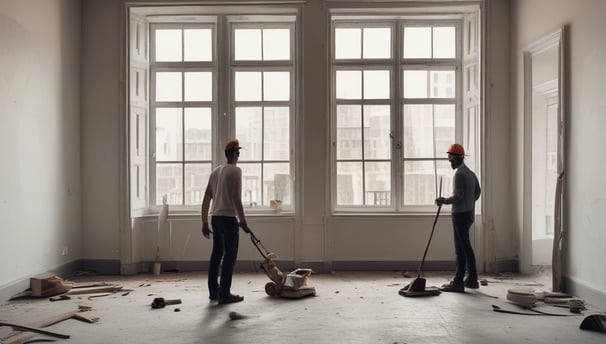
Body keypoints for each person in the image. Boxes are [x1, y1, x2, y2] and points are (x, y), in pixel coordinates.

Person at [201, 139, 251, 304]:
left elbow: (206, 198)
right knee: (230, 256)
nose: (239, 155)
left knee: (216, 255)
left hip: (215, 218)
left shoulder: (216, 171)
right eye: (238, 152)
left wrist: (204, 222)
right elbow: (236, 198)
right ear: (236, 154)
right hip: (229, 219)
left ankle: (214, 292)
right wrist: (242, 221)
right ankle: (225, 294)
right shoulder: (236, 171)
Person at [435, 143, 481, 293]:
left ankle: (458, 282)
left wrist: (444, 200)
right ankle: (473, 279)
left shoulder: (460, 174)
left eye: (451, 158)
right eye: (449, 158)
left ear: (459, 157)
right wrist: (468, 202)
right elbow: (477, 193)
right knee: (466, 247)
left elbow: (457, 195)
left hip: (460, 215)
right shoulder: (470, 173)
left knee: (460, 249)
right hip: (469, 213)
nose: (450, 161)